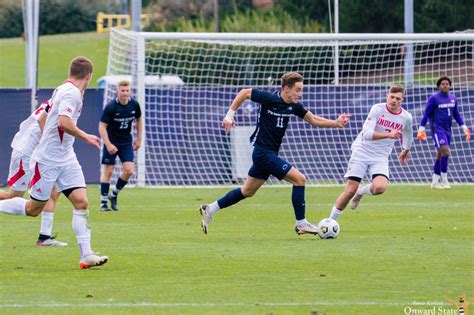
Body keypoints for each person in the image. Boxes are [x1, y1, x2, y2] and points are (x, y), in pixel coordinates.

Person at [199, 72, 351, 235]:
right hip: (262, 153)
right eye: (298, 90)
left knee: (248, 191)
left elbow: (313, 119)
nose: (300, 94)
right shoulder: (269, 99)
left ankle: (210, 208)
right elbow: (244, 93)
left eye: (301, 90)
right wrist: (229, 116)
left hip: (267, 153)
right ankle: (301, 224)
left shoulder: (294, 106)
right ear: (286, 88)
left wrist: (336, 123)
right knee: (299, 179)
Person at [0, 56, 108, 269]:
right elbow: (63, 122)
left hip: (66, 157)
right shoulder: (72, 93)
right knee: (33, 209)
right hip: (47, 160)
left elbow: (45, 117)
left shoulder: (63, 89)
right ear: (89, 75)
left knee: (81, 201)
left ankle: (86, 255)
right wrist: (85, 136)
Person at [328, 84, 413, 221]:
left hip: (380, 156)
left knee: (379, 188)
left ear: (402, 100)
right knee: (350, 190)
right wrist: (388, 135)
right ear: (387, 96)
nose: (394, 101)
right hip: (362, 151)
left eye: (398, 99)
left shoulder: (406, 117)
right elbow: (367, 134)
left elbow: (408, 134)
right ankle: (330, 221)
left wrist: (406, 149)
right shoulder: (377, 109)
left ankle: (361, 191)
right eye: (392, 97)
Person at [0, 100, 67, 246]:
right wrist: (48, 144)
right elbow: (41, 120)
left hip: (37, 153)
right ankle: (44, 237)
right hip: (26, 152)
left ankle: (44, 237)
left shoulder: (60, 100)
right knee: (13, 196)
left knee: (53, 192)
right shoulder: (62, 101)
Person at [417, 76, 471, 189]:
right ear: (438, 86)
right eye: (443, 84)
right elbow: (426, 114)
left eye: (447, 84)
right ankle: (445, 180)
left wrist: (464, 127)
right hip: (437, 129)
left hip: (448, 130)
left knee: (440, 154)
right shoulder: (434, 98)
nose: (445, 85)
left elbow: (456, 114)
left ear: (450, 85)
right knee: (446, 152)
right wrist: (421, 128)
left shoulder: (453, 98)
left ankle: (435, 182)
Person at [98, 80, 142, 211]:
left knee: (129, 170)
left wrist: (139, 139)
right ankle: (103, 203)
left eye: (127, 90)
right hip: (111, 142)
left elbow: (139, 120)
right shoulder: (111, 107)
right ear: (117, 91)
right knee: (109, 171)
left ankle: (114, 194)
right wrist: (108, 144)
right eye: (122, 90)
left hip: (126, 142)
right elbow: (101, 126)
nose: (125, 93)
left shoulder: (134, 105)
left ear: (130, 91)